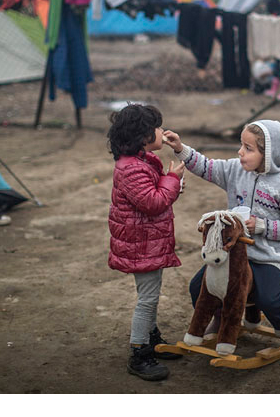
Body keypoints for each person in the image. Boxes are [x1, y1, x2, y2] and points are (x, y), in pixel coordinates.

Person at [163, 119, 280, 357]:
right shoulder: (235, 170)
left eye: (248, 148)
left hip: (268, 258)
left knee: (269, 299)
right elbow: (206, 166)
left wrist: (261, 226)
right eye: (241, 145)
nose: (240, 152)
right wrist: (180, 148)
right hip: (233, 255)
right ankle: (222, 316)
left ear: (268, 155)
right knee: (199, 287)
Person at [106, 103, 185, 381]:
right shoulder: (131, 168)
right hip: (142, 246)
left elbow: (156, 192)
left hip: (146, 242)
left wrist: (171, 181)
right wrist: (173, 180)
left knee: (150, 295)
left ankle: (152, 340)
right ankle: (139, 352)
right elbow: (153, 202)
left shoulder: (142, 161)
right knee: (148, 298)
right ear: (143, 136)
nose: (162, 131)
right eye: (158, 127)